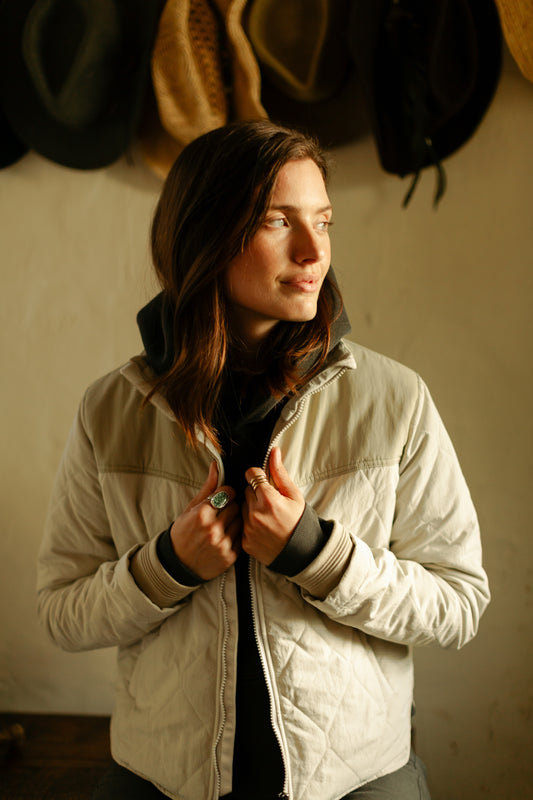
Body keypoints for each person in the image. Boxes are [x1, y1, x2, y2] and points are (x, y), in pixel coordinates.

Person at [37, 120, 490, 800]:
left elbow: (457, 603)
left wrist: (316, 554)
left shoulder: (393, 399)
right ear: (204, 234)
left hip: (359, 782)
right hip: (157, 783)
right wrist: (166, 566)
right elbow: (61, 611)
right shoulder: (111, 409)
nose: (314, 252)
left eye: (324, 222)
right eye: (279, 220)